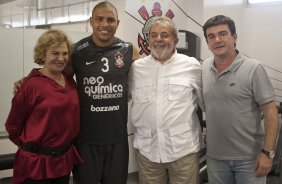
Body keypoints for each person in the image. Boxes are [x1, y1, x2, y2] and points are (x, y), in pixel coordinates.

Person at [202, 15, 278, 184]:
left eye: (223, 34)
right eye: (211, 36)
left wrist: (267, 153)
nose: (217, 40)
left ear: (234, 37)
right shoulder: (204, 68)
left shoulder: (254, 68)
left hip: (249, 159)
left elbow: (271, 112)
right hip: (215, 158)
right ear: (207, 42)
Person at [68, 2, 139, 184]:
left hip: (117, 140)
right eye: (99, 19)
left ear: (118, 22)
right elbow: (57, 81)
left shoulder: (129, 50)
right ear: (91, 21)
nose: (104, 24)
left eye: (110, 19)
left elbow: (150, 73)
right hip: (86, 140)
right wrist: (31, 78)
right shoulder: (75, 51)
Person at [129, 16, 203, 184]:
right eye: (153, 35)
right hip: (148, 152)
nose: (158, 39)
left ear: (175, 40)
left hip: (183, 151)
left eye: (164, 34)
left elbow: (206, 102)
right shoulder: (136, 68)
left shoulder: (191, 66)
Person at [5, 29, 83, 184]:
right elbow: (13, 127)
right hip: (35, 165)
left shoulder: (70, 82)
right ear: (43, 54)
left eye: (65, 53)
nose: (61, 58)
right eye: (55, 53)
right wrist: (33, 148)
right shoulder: (30, 85)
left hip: (63, 160)